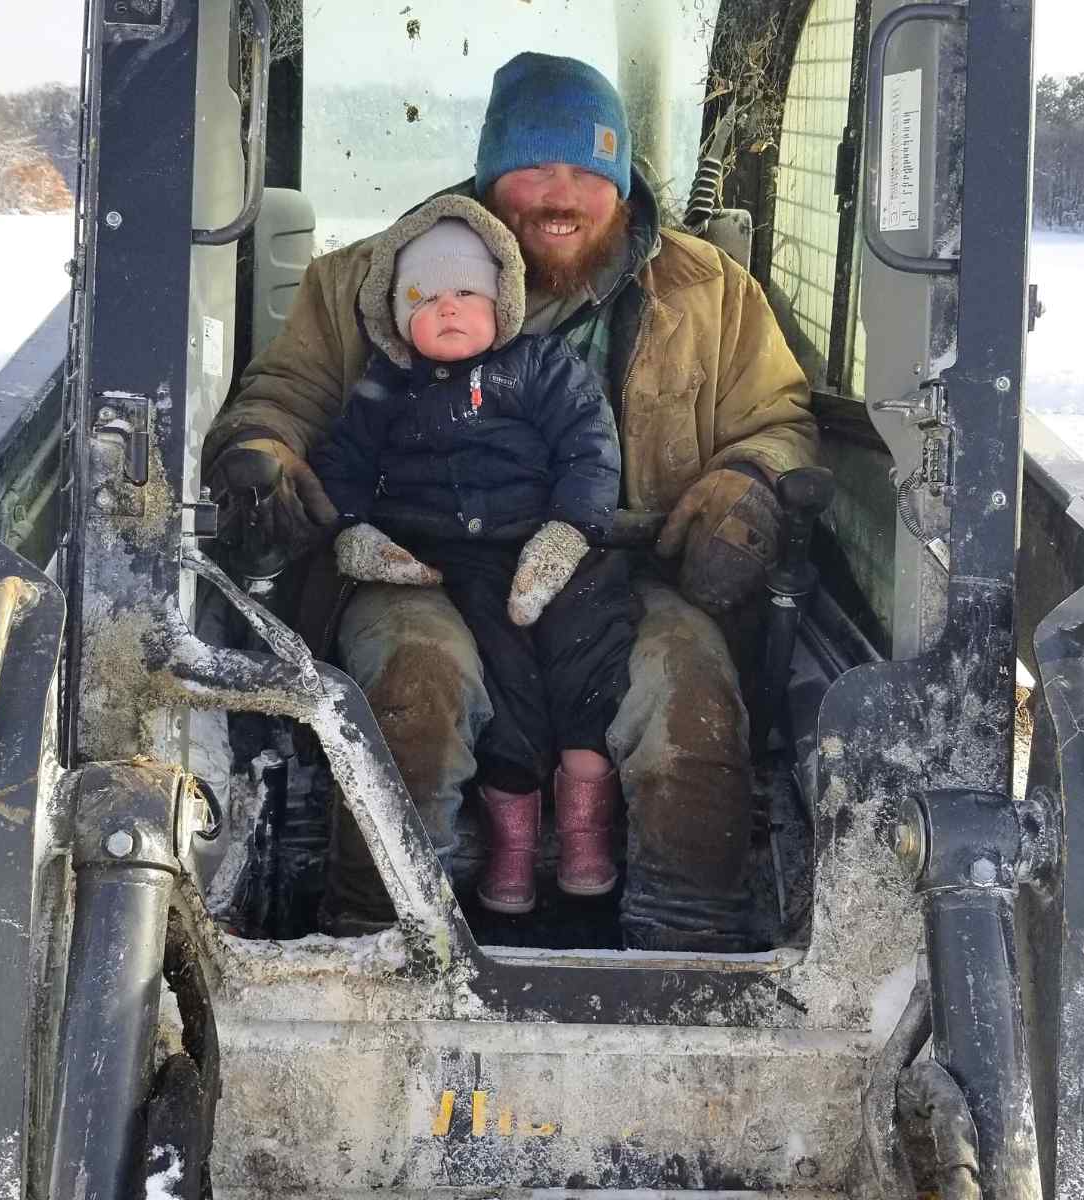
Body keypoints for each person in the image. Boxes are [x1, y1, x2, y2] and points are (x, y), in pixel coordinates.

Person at [204, 52, 817, 951]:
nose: (561, 194)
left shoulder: (712, 295)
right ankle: (383, 942)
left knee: (689, 692)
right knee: (418, 684)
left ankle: (691, 950)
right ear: (492, 178)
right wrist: (261, 454)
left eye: (588, 169)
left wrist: (749, 483)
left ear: (623, 181)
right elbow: (282, 397)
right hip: (418, 564)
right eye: (534, 168)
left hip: (621, 568)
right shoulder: (372, 281)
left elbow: (778, 417)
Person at [308, 194, 635, 914]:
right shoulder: (382, 391)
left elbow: (589, 445)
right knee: (504, 679)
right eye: (426, 297)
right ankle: (513, 841)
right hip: (460, 567)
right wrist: (353, 532)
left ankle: (586, 823)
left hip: (559, 547)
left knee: (592, 655)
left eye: (467, 293)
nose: (449, 309)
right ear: (396, 314)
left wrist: (570, 532)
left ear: (503, 301)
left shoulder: (543, 368)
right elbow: (343, 467)